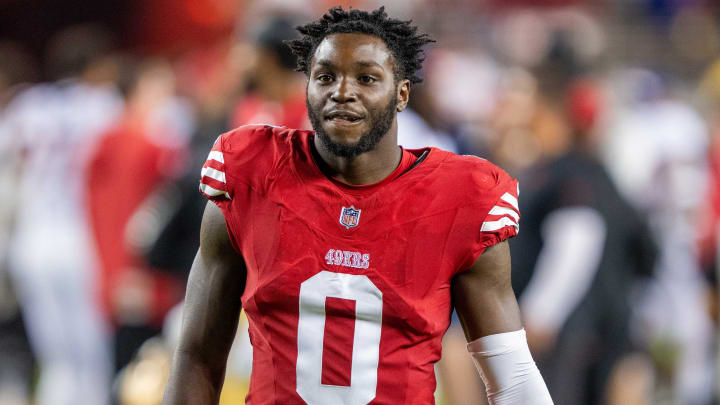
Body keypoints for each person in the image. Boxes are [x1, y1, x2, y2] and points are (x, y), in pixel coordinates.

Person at [163, 7, 553, 405]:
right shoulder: (251, 175)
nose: (342, 91)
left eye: (366, 78)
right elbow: (197, 357)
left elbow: (513, 379)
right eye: (325, 76)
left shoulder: (462, 197)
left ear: (402, 93)